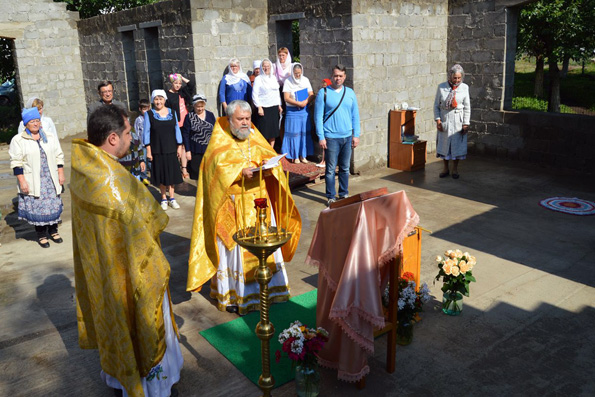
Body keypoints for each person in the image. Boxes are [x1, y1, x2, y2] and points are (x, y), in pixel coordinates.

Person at [71, 105, 183, 397]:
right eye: (128, 132)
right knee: (140, 320)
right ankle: (153, 385)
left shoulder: (85, 166)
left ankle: (119, 377)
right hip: (130, 272)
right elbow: (150, 222)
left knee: (115, 319)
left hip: (105, 272)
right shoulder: (115, 184)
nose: (132, 138)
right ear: (111, 138)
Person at [187, 100, 301, 316]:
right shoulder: (219, 140)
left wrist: (269, 169)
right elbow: (213, 169)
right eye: (240, 119)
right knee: (235, 252)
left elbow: (267, 156)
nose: (245, 123)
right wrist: (240, 173)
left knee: (265, 245)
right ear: (230, 119)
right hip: (233, 206)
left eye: (248, 119)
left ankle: (270, 292)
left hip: (259, 204)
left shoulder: (254, 137)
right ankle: (234, 296)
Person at [9, 108, 65, 248]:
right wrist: (22, 181)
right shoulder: (18, 140)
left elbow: (59, 155)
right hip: (34, 180)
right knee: (38, 209)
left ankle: (53, 231)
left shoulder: (49, 136)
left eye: (37, 120)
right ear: (26, 124)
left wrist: (61, 172)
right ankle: (41, 235)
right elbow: (16, 163)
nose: (35, 124)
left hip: (50, 179)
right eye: (32, 121)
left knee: (52, 206)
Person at [314, 64, 361, 206]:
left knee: (345, 168)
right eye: (335, 76)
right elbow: (317, 117)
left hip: (347, 137)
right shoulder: (323, 93)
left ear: (345, 77)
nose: (338, 78)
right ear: (331, 76)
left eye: (340, 76)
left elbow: (355, 116)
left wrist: (356, 134)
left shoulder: (350, 93)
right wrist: (321, 137)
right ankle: (330, 196)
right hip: (331, 137)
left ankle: (343, 193)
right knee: (330, 169)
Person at [144, 89, 185, 210]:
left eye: (160, 99)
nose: (158, 101)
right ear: (153, 100)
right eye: (156, 99)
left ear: (165, 100)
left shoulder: (172, 112)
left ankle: (172, 198)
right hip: (157, 149)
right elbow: (146, 133)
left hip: (171, 148)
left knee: (171, 175)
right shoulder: (149, 114)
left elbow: (177, 130)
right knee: (161, 175)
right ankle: (163, 198)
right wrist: (149, 151)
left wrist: (179, 147)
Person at [434, 64, 471, 179]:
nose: (457, 80)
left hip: (458, 121)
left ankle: (455, 169)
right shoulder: (441, 87)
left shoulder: (464, 88)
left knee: (456, 146)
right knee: (445, 145)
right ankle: (445, 168)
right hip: (445, 119)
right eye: (455, 78)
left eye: (459, 78)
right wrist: (438, 121)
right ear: (450, 76)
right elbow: (436, 106)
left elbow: (467, 107)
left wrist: (466, 123)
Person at [282, 63, 314, 163]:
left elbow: (311, 94)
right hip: (292, 111)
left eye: (299, 73)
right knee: (294, 133)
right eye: (296, 73)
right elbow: (286, 98)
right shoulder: (288, 81)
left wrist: (305, 102)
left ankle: (303, 155)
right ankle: (294, 155)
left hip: (303, 110)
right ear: (292, 72)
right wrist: (297, 103)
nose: (298, 75)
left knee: (303, 133)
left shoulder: (305, 80)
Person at [165, 73, 195, 178]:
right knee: (176, 145)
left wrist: (182, 78)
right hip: (175, 123)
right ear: (171, 83)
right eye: (176, 83)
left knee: (183, 146)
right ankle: (176, 168)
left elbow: (191, 85)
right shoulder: (167, 95)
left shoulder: (182, 92)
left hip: (185, 122)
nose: (178, 85)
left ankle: (184, 169)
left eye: (179, 83)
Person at [182, 93, 216, 180]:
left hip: (209, 149)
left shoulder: (210, 115)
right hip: (195, 150)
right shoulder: (189, 116)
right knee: (197, 173)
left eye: (202, 106)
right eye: (198, 106)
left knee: (209, 173)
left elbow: (215, 131)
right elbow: (185, 134)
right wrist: (188, 151)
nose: (200, 108)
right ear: (194, 106)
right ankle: (198, 192)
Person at [252, 58, 282, 148]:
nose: (266, 68)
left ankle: (271, 149)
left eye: (268, 66)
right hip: (263, 108)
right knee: (264, 131)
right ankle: (264, 150)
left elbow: (277, 93)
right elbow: (254, 94)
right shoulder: (258, 79)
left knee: (273, 131)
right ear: (261, 67)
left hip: (273, 107)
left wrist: (279, 105)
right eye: (264, 66)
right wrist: (259, 107)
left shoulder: (273, 78)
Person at [120, 99, 149, 184]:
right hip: (125, 169)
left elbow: (138, 146)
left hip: (135, 169)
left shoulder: (132, 130)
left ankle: (143, 177)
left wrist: (141, 161)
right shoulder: (117, 133)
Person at [315, 79, 332, 168]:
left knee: (326, 144)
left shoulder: (328, 95)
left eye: (325, 86)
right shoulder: (322, 94)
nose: (323, 87)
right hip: (323, 122)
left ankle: (325, 161)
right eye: (323, 85)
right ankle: (323, 160)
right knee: (323, 143)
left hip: (327, 122)